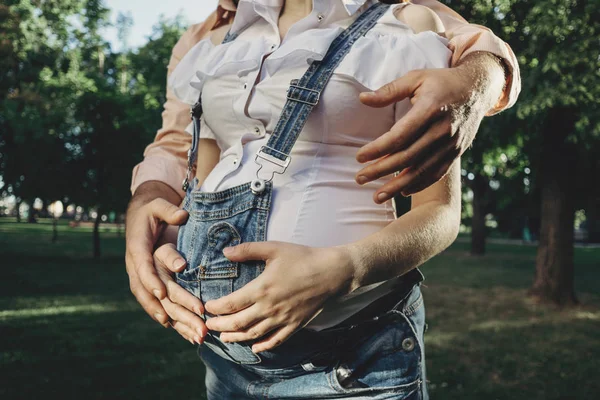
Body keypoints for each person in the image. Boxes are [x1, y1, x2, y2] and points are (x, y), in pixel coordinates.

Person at [125, 0, 520, 397]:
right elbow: (201, 182)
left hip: (353, 363)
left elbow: (441, 213)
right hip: (222, 362)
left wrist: (345, 269)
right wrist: (172, 246)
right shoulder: (217, 43)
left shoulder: (407, 24)